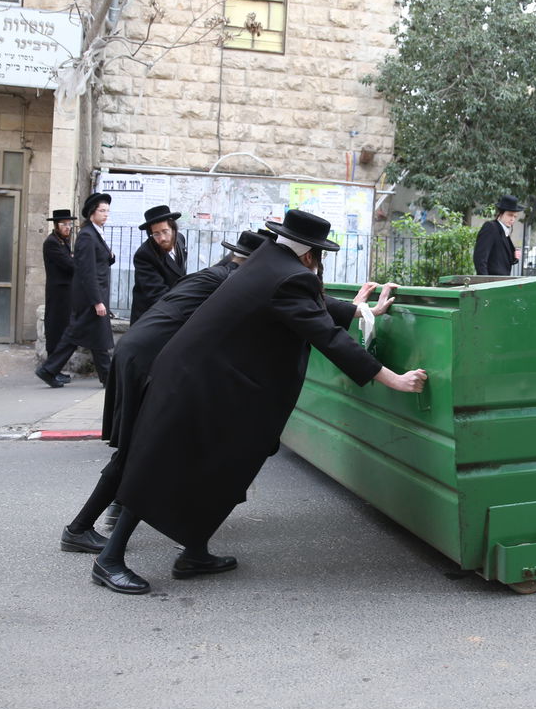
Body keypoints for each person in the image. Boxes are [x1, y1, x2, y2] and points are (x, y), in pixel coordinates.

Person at [90, 210, 427, 595]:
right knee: (162, 467)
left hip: (205, 381)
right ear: (310, 254)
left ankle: (194, 551)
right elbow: (328, 336)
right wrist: (393, 378)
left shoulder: (268, 260)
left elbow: (312, 305)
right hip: (201, 386)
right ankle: (109, 560)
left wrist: (361, 310)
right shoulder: (289, 276)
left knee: (222, 469)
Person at [36, 193, 115, 387]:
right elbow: (87, 272)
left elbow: (98, 261)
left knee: (91, 336)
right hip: (90, 297)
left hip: (93, 295)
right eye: (102, 211)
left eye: (107, 211)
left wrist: (109, 256)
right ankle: (49, 370)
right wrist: (97, 301)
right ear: (92, 213)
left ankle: (106, 377)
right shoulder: (87, 236)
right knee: (79, 335)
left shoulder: (95, 233)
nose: (106, 214)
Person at [129, 203, 188, 322]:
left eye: (165, 231)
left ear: (173, 229)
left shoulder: (180, 240)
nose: (162, 238)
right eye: (156, 234)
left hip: (174, 310)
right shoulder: (144, 255)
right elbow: (156, 294)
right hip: (151, 316)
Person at [41, 208, 75, 357]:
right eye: (64, 224)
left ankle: (56, 364)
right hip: (58, 292)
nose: (68, 227)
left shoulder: (62, 241)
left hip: (65, 291)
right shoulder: (52, 242)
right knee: (55, 326)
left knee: (63, 326)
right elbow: (69, 265)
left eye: (69, 224)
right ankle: (51, 363)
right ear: (56, 225)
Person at [473, 195, 522, 275]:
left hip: (503, 280)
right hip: (492, 280)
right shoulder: (491, 227)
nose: (512, 219)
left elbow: (501, 260)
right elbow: (480, 258)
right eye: (510, 215)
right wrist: (485, 281)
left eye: (515, 216)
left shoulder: (504, 231)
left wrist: (514, 257)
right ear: (501, 214)